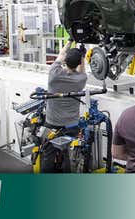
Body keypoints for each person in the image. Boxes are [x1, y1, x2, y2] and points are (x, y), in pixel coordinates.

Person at [42, 38, 87, 172]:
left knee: (47, 154)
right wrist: (83, 57)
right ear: (78, 63)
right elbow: (82, 70)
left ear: (65, 61)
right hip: (71, 124)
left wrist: (70, 41)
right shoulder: (81, 80)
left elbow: (60, 56)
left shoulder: (54, 75)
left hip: (52, 123)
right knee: (69, 154)